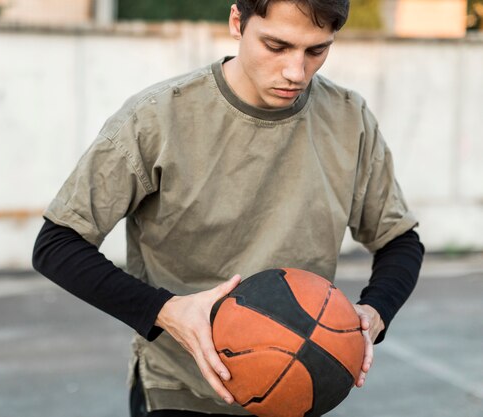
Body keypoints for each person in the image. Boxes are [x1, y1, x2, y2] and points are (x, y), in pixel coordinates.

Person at [32, 0, 425, 416]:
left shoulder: (349, 119)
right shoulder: (157, 118)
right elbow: (57, 245)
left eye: (316, 51)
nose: (297, 72)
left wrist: (374, 312)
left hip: (294, 397)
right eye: (276, 46)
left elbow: (401, 241)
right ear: (237, 22)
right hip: (179, 394)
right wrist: (165, 310)